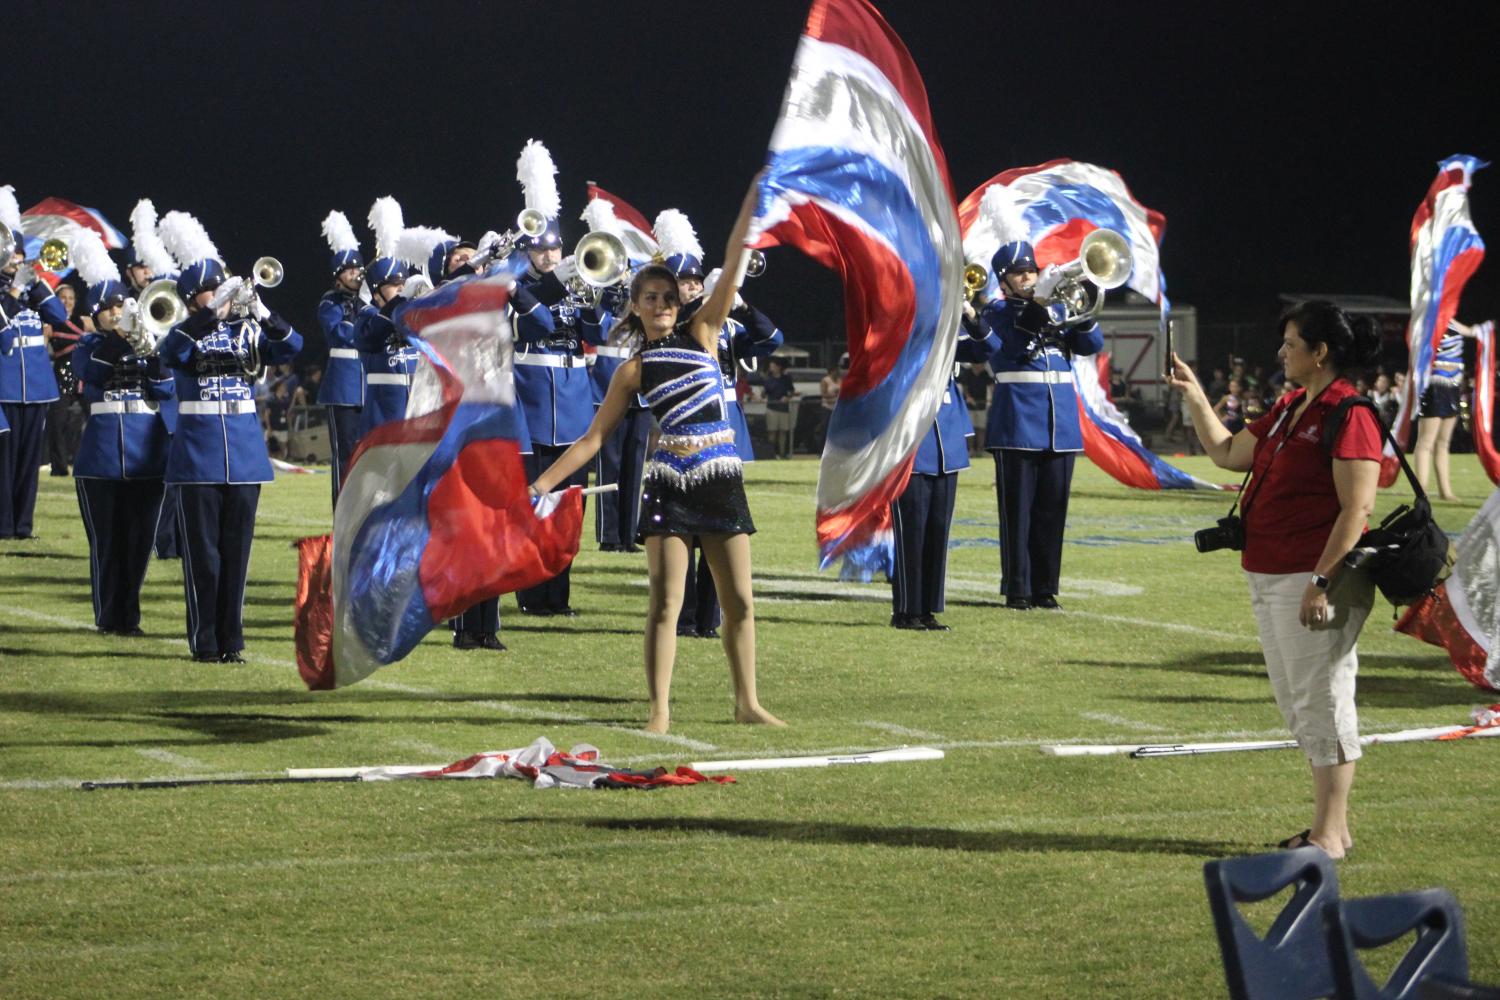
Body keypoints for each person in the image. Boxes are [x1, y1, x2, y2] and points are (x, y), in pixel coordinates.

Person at [528, 178, 783, 734]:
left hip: (719, 476)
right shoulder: (632, 371)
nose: (664, 305)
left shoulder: (706, 333)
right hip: (669, 483)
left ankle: (747, 702)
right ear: (637, 307)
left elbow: (736, 261)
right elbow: (593, 440)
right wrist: (541, 485)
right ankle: (659, 712)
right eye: (652, 299)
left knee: (739, 600)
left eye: (670, 297)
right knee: (666, 605)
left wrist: (751, 206)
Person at [1168, 299, 1383, 859]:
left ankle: (1331, 835)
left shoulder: (1350, 412)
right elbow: (1226, 452)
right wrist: (1195, 396)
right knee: (1298, 702)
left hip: (1311, 576)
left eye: (1291, 344)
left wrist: (1321, 580)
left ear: (1320, 353)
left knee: (1324, 700)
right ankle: (1323, 831)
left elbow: (1356, 510)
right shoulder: (1291, 407)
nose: (1281, 352)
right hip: (1270, 572)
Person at [157, 210, 302, 663]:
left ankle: (231, 641)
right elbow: (172, 353)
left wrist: (259, 308)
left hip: (243, 454)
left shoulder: (247, 330)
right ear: (193, 297)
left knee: (236, 556)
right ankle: (204, 641)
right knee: (203, 556)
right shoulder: (183, 330)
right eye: (210, 288)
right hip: (198, 455)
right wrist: (211, 313)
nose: (220, 292)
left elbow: (291, 347)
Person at [968, 223, 1103, 610]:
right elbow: (1011, 349)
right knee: (1018, 513)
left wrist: (1083, 305)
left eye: (1031, 271)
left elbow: (1090, 343)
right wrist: (1038, 306)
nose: (1029, 277)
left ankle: (1046, 588)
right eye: (1019, 273)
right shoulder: (996, 313)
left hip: (1060, 425)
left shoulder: (1055, 307)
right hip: (1017, 425)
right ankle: (1018, 589)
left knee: (1052, 512)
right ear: (1003, 281)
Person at [71, 260, 174, 636]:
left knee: (139, 542)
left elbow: (165, 390)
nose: (116, 314)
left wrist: (152, 356)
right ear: (95, 316)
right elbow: (92, 374)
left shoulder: (148, 343)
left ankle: (128, 616)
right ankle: (108, 616)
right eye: (108, 310)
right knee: (107, 543)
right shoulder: (89, 345)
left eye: (120, 307)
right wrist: (120, 339)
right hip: (101, 457)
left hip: (148, 453)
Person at [890, 330, 986, 630]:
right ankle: (906, 610)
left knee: (937, 533)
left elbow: (986, 349)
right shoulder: (903, 324)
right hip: (912, 446)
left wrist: (970, 315)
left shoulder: (948, 326)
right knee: (912, 534)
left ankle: (928, 609)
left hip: (947, 442)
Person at [1, 190, 72, 539]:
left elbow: (59, 317)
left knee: (29, 463)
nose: (17, 261)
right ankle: (4, 525)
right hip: (6, 387)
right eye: (12, 256)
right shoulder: (5, 292)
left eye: (18, 256)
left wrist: (39, 282)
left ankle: (23, 526)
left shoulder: (31, 289)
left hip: (37, 388)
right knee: (5, 463)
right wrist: (14, 291)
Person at [128, 197, 183, 560]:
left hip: (175, 394)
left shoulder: (170, 298)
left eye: (151, 268)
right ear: (131, 272)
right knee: (152, 478)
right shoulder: (124, 303)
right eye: (142, 269)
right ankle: (156, 540)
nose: (148, 275)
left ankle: (173, 542)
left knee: (178, 475)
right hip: (145, 400)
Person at [316, 211, 366, 507]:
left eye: (358, 268)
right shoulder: (329, 302)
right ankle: (342, 514)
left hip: (369, 387)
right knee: (345, 453)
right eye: (348, 270)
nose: (355, 273)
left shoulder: (368, 301)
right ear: (338, 276)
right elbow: (341, 334)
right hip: (343, 387)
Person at [1413, 320, 1480, 501]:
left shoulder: (1452, 321)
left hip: (1453, 385)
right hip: (1435, 384)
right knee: (1426, 442)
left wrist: (1488, 328)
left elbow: (1472, 331)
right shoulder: (1429, 318)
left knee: (1443, 442)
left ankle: (1445, 491)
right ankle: (1422, 492)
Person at [44, 281, 87, 477]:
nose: (67, 302)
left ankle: (85, 462)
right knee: (57, 423)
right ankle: (59, 467)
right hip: (60, 376)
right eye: (63, 298)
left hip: (83, 376)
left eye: (71, 298)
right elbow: (44, 351)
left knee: (92, 418)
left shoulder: (83, 321)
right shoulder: (50, 322)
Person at [761, 357, 797, 459]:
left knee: (783, 432)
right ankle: (772, 454)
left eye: (773, 366)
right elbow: (764, 394)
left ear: (778, 367)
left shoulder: (786, 379)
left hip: (784, 409)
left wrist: (788, 397)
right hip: (772, 408)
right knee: (772, 432)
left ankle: (782, 453)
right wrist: (763, 392)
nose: (771, 368)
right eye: (770, 366)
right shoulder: (768, 379)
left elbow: (792, 391)